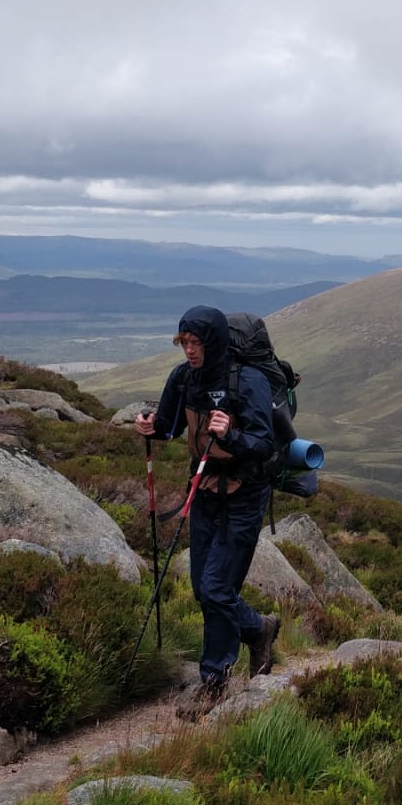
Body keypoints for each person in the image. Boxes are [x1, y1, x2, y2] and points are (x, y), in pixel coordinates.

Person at [133, 305, 281, 716]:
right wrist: (151, 427)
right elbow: (168, 425)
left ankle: (214, 682)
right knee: (204, 588)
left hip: (245, 493)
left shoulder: (247, 380)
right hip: (204, 490)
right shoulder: (183, 379)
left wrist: (229, 434)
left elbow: (264, 444)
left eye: (197, 343)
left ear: (214, 341)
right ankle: (258, 629)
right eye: (184, 343)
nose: (190, 351)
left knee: (216, 588)